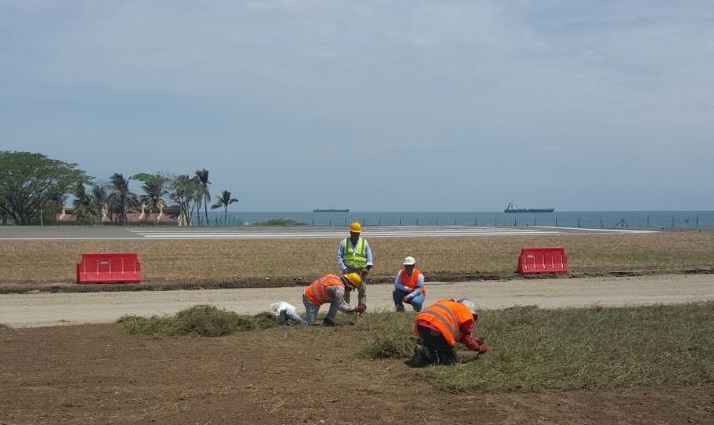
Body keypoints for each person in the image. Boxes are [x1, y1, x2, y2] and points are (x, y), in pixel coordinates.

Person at [407, 298, 488, 367]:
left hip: (421, 324)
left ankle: (423, 351)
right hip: (437, 328)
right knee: (452, 362)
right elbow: (466, 338)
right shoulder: (466, 314)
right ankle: (425, 352)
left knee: (434, 346)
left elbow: (460, 337)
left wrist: (473, 342)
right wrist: (478, 348)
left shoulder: (448, 304)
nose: (473, 319)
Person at [336, 221, 373, 308]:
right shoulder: (344, 242)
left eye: (357, 233)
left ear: (359, 233)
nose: (356, 235)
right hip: (348, 270)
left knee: (362, 290)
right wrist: (343, 268)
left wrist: (367, 267)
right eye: (354, 233)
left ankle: (362, 308)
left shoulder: (364, 242)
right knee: (346, 290)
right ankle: (346, 308)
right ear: (350, 232)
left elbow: (369, 256)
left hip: (361, 270)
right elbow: (339, 256)